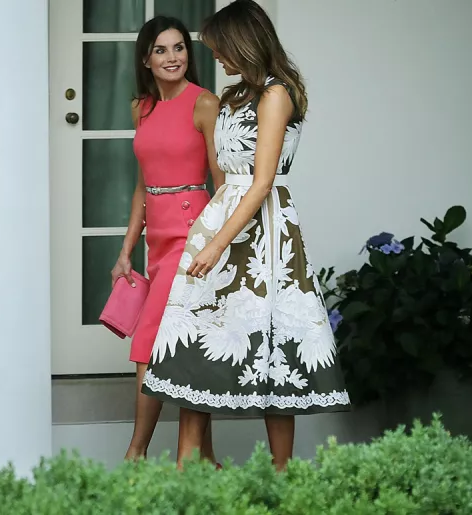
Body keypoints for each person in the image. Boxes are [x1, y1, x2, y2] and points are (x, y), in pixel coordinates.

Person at [140, 0, 351, 471]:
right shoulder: (235, 95)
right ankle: (189, 470)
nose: (215, 57)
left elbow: (262, 181)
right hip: (222, 215)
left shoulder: (277, 95)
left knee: (273, 344)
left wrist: (217, 244)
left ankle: (280, 475)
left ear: (243, 42)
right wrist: (207, 229)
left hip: (262, 231)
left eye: (220, 48)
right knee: (195, 335)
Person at [110, 15, 223, 463]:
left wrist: (215, 242)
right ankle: (205, 460)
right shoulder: (142, 108)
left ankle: (135, 453)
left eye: (179, 48)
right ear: (146, 59)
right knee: (186, 342)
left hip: (192, 234)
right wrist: (125, 250)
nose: (172, 57)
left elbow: (221, 184)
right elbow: (143, 185)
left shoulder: (205, 103)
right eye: (161, 50)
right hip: (156, 238)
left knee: (148, 342)